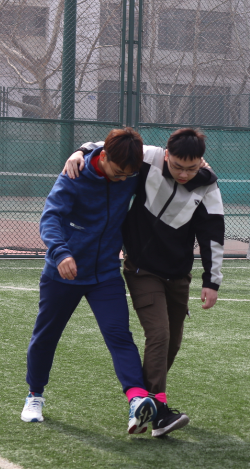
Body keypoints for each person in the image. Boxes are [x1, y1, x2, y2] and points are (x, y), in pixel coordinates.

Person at [63, 128, 225, 437]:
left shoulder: (207, 184)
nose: (184, 174)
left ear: (201, 161)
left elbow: (213, 235)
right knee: (159, 333)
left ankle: (145, 408)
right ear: (167, 154)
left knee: (172, 343)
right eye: (177, 166)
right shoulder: (148, 158)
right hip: (142, 269)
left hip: (179, 275)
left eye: (191, 168)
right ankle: (159, 410)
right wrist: (80, 152)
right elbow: (107, 148)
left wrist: (212, 281)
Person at [22, 128, 158, 435]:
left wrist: (201, 163)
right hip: (62, 272)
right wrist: (60, 252)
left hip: (105, 273)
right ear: (104, 156)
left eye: (128, 175)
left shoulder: (130, 171)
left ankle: (136, 399)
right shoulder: (75, 174)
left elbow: (161, 156)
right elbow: (50, 217)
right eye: (118, 172)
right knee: (45, 336)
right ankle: (34, 394)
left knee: (119, 336)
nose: (123, 180)